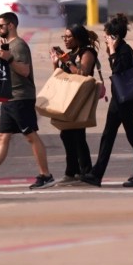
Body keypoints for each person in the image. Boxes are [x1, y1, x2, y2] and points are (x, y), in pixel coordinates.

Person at [0, 12, 55, 190]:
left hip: (21, 98)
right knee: (2, 136)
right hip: (9, 98)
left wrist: (8, 59)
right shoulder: (9, 45)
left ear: (11, 26)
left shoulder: (19, 45)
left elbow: (24, 70)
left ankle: (46, 175)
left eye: (1, 25)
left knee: (31, 135)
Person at [81, 14, 133, 187]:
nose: (104, 38)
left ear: (115, 36)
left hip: (125, 101)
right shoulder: (120, 50)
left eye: (107, 35)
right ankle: (97, 174)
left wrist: (112, 51)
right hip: (118, 100)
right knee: (108, 136)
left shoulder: (124, 51)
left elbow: (118, 72)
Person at [50, 25, 98, 184]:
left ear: (78, 38)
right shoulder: (69, 55)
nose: (65, 40)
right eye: (64, 37)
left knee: (77, 134)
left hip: (80, 99)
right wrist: (56, 64)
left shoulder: (87, 52)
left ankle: (85, 171)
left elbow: (83, 74)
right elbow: (60, 76)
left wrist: (68, 62)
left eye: (68, 37)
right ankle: (72, 171)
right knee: (66, 134)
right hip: (67, 99)